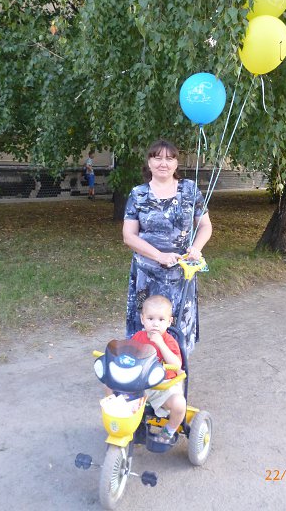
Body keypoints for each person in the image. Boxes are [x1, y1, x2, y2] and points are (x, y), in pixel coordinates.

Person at [123, 139, 212, 355]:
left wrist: (196, 248)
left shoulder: (190, 190)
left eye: (169, 158)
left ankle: (175, 369)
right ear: (149, 162)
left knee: (177, 329)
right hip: (146, 277)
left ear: (176, 163)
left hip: (181, 275)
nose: (163, 163)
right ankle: (144, 370)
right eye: (158, 158)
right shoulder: (138, 194)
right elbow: (129, 236)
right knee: (145, 331)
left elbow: (205, 226)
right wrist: (159, 256)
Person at [131, 294, 186, 443]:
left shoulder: (170, 341)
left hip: (164, 386)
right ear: (142, 319)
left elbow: (177, 365)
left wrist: (161, 344)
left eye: (161, 320)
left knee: (179, 404)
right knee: (114, 387)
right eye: (150, 319)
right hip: (142, 384)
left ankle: (169, 430)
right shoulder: (138, 337)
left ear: (169, 321)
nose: (155, 324)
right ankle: (131, 425)